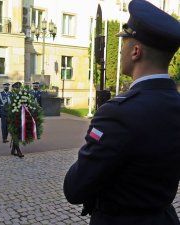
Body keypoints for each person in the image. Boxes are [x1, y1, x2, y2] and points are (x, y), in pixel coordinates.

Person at [63, 1, 180, 225]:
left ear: (136, 51)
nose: (122, 48)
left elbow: (75, 189)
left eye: (124, 42)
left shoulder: (118, 114)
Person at [9, 82, 24, 158]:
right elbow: (7, 107)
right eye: (16, 88)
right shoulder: (10, 96)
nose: (18, 89)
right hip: (12, 118)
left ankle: (13, 150)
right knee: (15, 135)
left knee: (17, 135)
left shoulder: (22, 96)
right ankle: (18, 151)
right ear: (13, 88)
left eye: (19, 88)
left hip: (20, 118)